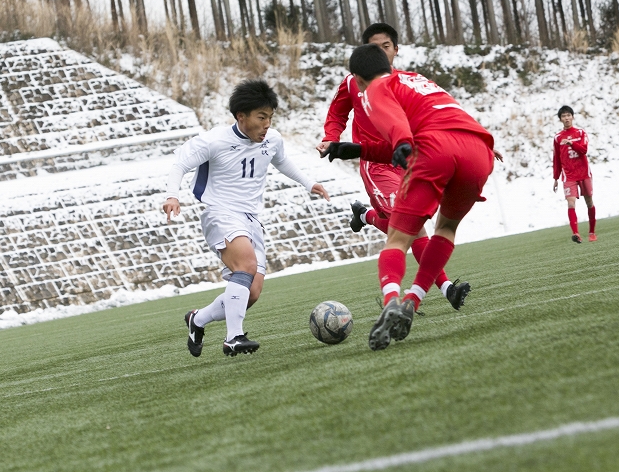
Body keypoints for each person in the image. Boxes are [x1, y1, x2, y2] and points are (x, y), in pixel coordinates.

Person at [162, 79, 330, 357]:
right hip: (220, 212)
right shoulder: (214, 140)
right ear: (241, 116)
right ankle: (234, 338)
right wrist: (171, 195)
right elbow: (180, 163)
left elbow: (281, 160)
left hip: (251, 218)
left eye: (270, 118)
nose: (267, 124)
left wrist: (308, 183)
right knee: (246, 265)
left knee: (250, 293)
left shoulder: (271, 139)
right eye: (261, 117)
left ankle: (198, 319)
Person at [347, 44, 496, 351]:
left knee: (398, 238)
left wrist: (401, 142)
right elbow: (450, 114)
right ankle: (413, 301)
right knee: (446, 229)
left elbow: (394, 122)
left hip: (434, 149)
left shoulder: (375, 87)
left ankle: (392, 300)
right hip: (479, 148)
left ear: (358, 79)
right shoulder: (416, 79)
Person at [316, 23, 471, 312]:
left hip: (409, 162)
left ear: (396, 50)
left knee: (404, 230)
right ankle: (445, 288)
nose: (382, 53)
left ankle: (365, 216)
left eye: (386, 46)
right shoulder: (354, 82)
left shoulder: (406, 82)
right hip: (376, 165)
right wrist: (330, 138)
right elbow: (337, 112)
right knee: (414, 229)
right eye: (375, 48)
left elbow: (437, 112)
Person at [552, 106, 596, 243]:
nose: (566, 118)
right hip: (568, 175)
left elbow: (583, 150)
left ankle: (592, 232)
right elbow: (557, 159)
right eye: (563, 116)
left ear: (572, 117)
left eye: (568, 115)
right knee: (571, 203)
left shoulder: (581, 133)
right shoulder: (558, 138)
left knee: (589, 202)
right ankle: (576, 233)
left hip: (584, 173)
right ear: (560, 119)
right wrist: (555, 178)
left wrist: (571, 143)